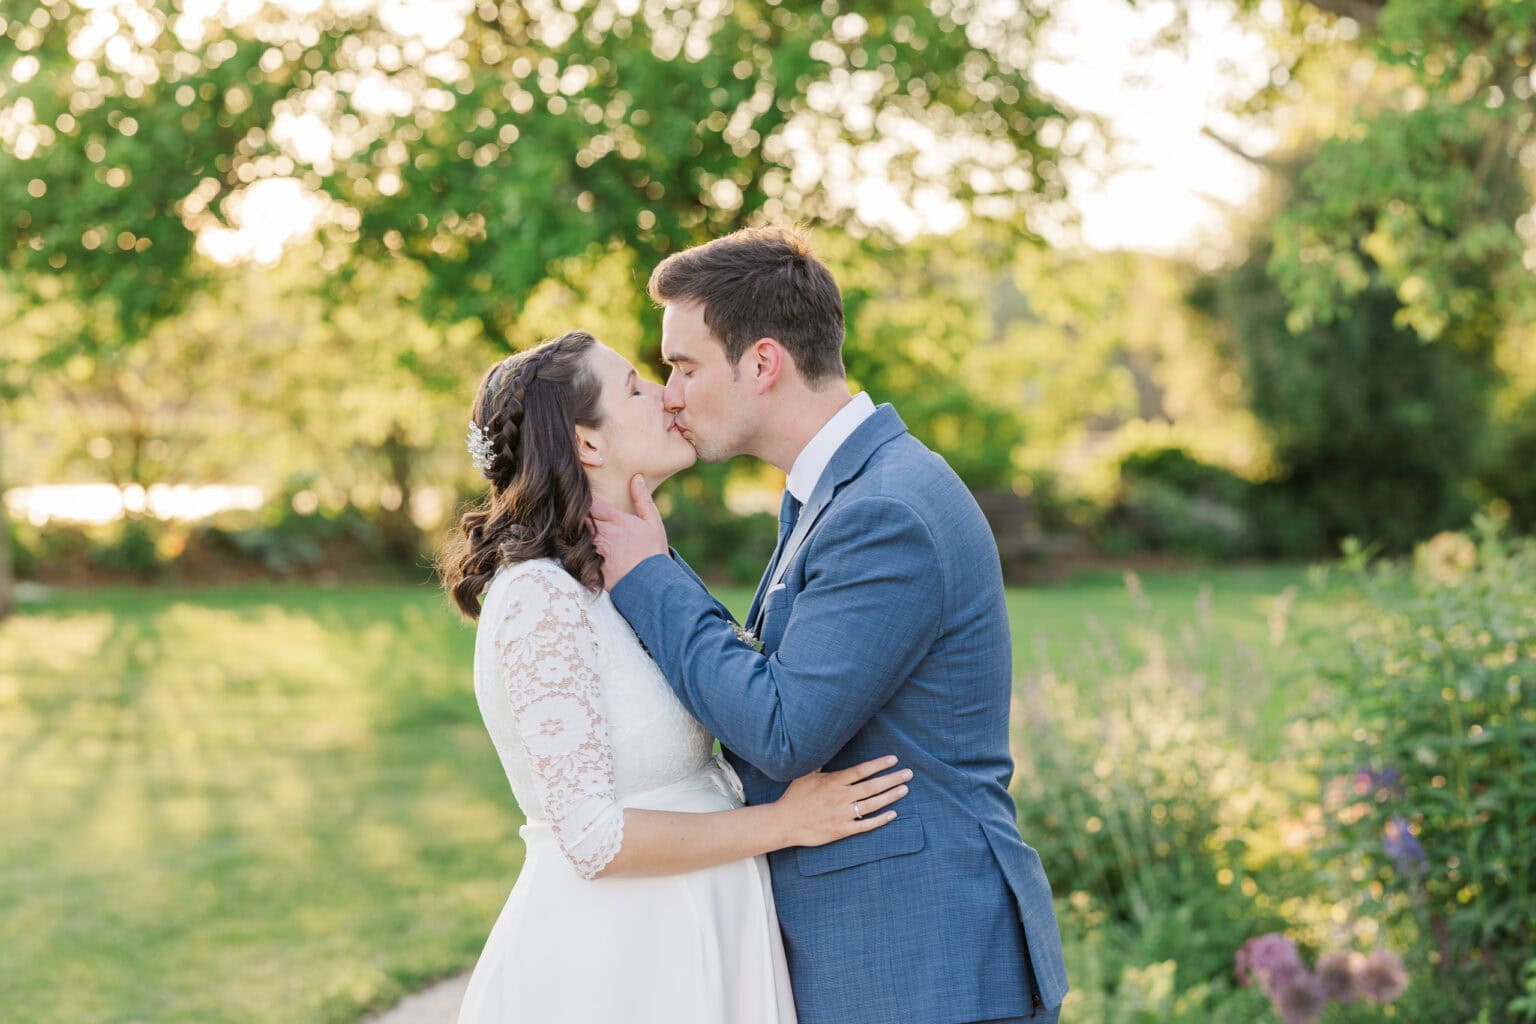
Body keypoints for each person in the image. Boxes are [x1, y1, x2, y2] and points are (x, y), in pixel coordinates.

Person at [591, 228, 1069, 1024]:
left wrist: (649, 575)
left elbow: (783, 730)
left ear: (763, 363)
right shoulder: (840, 491)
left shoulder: (884, 510)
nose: (670, 394)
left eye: (685, 367)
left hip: (923, 969)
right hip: (898, 959)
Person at [439, 330, 912, 1024]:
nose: (668, 397)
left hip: (705, 926)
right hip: (621, 957)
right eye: (636, 388)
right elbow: (592, 836)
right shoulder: (539, 597)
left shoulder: (627, 571)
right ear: (587, 443)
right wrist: (783, 823)